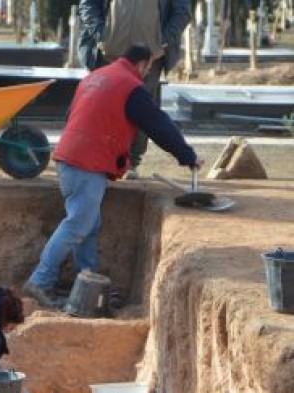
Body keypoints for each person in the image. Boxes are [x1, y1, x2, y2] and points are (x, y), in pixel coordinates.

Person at [22, 44, 202, 308]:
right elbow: (157, 124)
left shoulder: (95, 77)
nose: (147, 73)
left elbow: (76, 117)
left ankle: (88, 284)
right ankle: (40, 281)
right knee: (78, 225)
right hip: (86, 164)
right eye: (148, 68)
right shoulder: (130, 86)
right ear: (142, 64)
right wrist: (187, 155)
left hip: (72, 159)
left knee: (89, 226)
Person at [77, 0, 192, 179]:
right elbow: (88, 5)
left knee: (142, 110)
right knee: (102, 107)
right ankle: (99, 158)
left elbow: (182, 12)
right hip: (109, 53)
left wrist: (162, 41)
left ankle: (130, 162)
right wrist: (101, 35)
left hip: (150, 57)